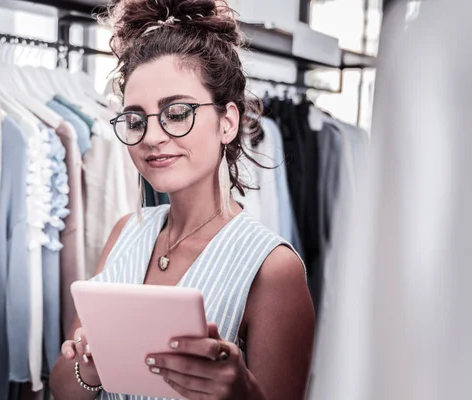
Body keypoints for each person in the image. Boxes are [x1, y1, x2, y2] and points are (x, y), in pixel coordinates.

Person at [50, 0, 315, 399]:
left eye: (176, 113)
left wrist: (242, 391)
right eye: (136, 119)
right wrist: (88, 364)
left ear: (228, 122)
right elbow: (64, 389)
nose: (152, 137)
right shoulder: (127, 232)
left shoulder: (272, 269)